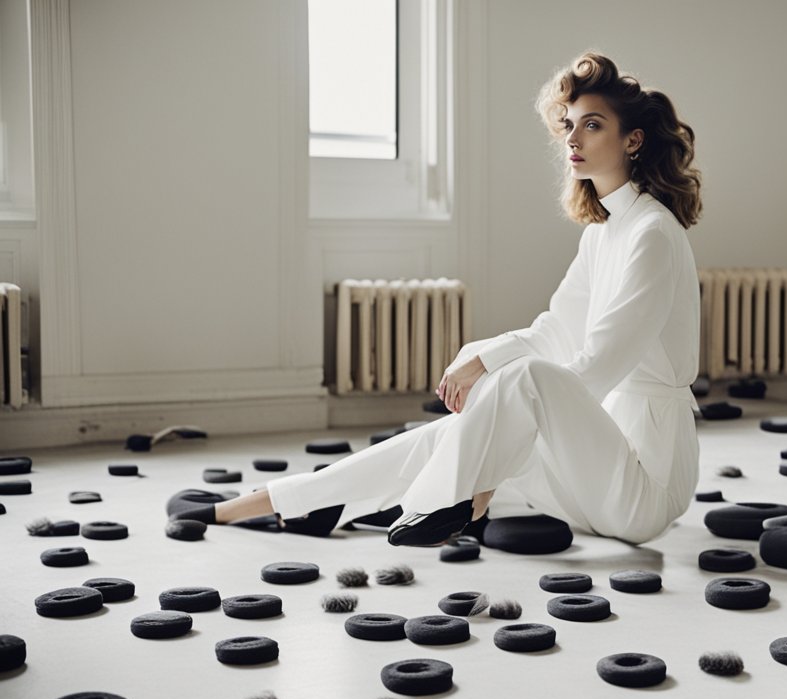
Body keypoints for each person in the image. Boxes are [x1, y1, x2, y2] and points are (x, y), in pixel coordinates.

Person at [188, 52, 703, 547]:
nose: (572, 138)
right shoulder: (603, 233)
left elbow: (596, 368)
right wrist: (482, 357)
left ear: (632, 139)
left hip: (643, 489)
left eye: (592, 124)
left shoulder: (652, 233)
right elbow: (556, 332)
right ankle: (283, 500)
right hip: (591, 478)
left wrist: (498, 399)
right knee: (454, 432)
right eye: (568, 124)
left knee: (521, 382)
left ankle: (456, 500)